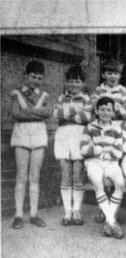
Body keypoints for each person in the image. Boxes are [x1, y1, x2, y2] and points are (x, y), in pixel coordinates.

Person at [10, 60, 52, 229]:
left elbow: (48, 112)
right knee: (21, 175)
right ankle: (19, 214)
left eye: (39, 78)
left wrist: (26, 111)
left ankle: (34, 214)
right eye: (33, 76)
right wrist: (37, 113)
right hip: (21, 135)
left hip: (38, 136)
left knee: (34, 176)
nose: (36, 80)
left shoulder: (45, 95)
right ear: (25, 76)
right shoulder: (17, 93)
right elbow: (15, 114)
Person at [80, 96, 125, 239]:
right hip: (94, 161)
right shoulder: (90, 127)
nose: (105, 112)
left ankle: (109, 221)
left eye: (108, 110)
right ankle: (112, 221)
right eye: (102, 109)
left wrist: (107, 151)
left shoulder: (117, 128)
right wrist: (99, 150)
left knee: (120, 184)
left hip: (111, 162)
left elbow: (119, 150)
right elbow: (83, 148)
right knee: (97, 182)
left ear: (113, 112)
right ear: (96, 111)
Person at [53, 65, 93, 226]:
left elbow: (87, 117)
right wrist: (76, 114)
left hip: (79, 136)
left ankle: (76, 211)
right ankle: (67, 212)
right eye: (71, 81)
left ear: (82, 83)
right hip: (63, 137)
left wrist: (68, 113)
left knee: (78, 175)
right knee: (65, 174)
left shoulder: (87, 99)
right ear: (67, 82)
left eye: (77, 81)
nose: (74, 84)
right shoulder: (61, 98)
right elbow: (56, 114)